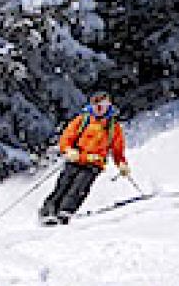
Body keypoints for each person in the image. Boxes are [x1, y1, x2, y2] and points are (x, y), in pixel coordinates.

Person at [39, 91, 131, 224]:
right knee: (63, 184)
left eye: (103, 106)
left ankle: (65, 212)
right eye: (96, 106)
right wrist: (68, 150)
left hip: (94, 163)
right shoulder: (82, 120)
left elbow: (117, 150)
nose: (100, 109)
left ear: (109, 106)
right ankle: (48, 211)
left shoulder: (113, 127)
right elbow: (66, 138)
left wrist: (122, 164)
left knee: (79, 187)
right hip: (76, 158)